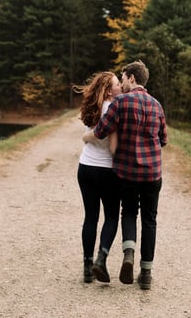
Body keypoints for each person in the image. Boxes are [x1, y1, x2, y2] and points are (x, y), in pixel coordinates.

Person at [86, 60, 167, 290]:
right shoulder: (157, 105)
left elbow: (101, 131)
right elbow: (163, 139)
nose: (121, 84)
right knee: (150, 219)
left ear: (132, 78)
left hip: (128, 173)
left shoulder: (120, 102)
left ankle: (129, 254)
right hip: (152, 174)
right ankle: (146, 274)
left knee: (129, 212)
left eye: (123, 79)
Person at [74, 71, 122, 284]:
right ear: (110, 90)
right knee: (111, 216)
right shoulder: (112, 109)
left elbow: (89, 135)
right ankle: (101, 258)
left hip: (85, 167)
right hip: (105, 170)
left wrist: (88, 138)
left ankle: (87, 266)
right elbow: (112, 149)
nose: (120, 86)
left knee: (90, 216)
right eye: (117, 84)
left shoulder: (91, 107)